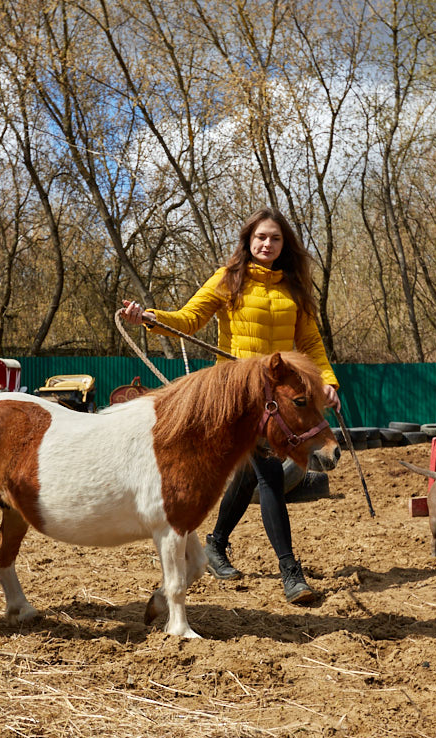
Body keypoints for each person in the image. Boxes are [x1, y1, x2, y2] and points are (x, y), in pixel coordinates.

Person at [121, 207, 341, 605]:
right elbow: (189, 318)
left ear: (283, 244)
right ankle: (291, 572)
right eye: (260, 237)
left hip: (280, 398)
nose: (267, 244)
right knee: (270, 476)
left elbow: (310, 345)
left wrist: (327, 382)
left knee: (250, 475)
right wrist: (149, 318)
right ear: (248, 241)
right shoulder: (229, 279)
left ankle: (216, 544)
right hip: (240, 398)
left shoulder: (295, 287)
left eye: (274, 238)